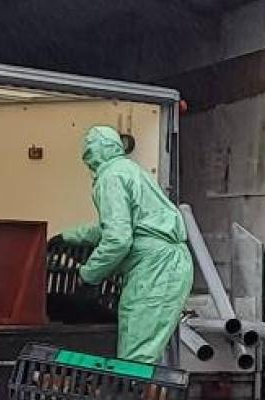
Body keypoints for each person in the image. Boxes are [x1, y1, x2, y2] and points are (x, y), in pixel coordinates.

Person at [58, 126, 193, 364]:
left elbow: (118, 239)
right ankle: (144, 397)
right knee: (144, 348)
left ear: (91, 154)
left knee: (137, 354)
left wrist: (89, 276)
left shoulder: (110, 177)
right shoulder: (130, 171)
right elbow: (116, 226)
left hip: (155, 269)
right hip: (164, 265)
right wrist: (70, 236)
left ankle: (133, 399)